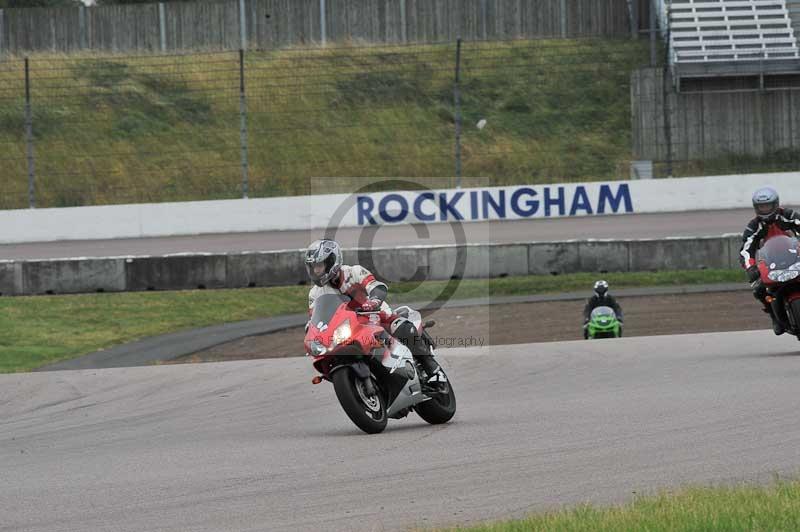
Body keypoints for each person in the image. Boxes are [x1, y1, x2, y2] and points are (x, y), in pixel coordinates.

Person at [303, 238, 441, 381]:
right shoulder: (315, 293)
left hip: (376, 316)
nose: (315, 271)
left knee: (403, 328)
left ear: (332, 261)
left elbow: (376, 286)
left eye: (319, 266)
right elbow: (315, 317)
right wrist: (311, 329)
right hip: (348, 328)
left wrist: (374, 300)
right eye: (312, 267)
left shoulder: (354, 272)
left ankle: (432, 368)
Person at [740, 187, 800, 335]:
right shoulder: (753, 226)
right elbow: (746, 250)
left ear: (775, 204)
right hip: (770, 262)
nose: (765, 210)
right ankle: (774, 316)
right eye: (761, 207)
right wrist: (750, 267)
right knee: (759, 289)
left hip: (794, 255)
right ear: (756, 208)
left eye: (767, 206)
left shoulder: (788, 215)